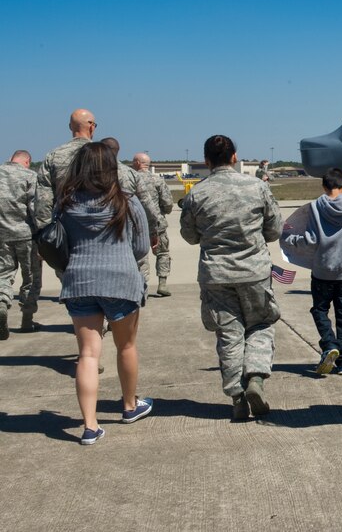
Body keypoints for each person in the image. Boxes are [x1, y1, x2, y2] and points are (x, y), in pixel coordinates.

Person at [180, 135, 283, 420]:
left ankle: (237, 396)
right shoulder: (257, 187)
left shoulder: (196, 194)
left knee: (229, 335)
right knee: (261, 325)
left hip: (216, 275)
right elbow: (274, 230)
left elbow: (188, 236)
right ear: (235, 157)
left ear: (207, 161)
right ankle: (256, 380)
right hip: (254, 272)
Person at [56, 143, 153, 444]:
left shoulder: (67, 205)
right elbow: (140, 247)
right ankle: (129, 405)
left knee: (87, 353)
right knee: (126, 346)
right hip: (121, 282)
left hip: (79, 281)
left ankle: (89, 425)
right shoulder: (126, 202)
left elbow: (59, 242)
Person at [285, 167, 342, 376]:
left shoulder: (316, 207)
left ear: (323, 186)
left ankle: (329, 344)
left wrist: (289, 240)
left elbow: (310, 240)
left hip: (321, 271)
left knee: (319, 310)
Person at [0, 150, 42, 337]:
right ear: (27, 161)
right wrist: (42, 236)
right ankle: (27, 320)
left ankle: (1, 303)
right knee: (31, 278)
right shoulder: (30, 176)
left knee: (3, 274)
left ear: (11, 159)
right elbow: (36, 208)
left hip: (2, 235)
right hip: (26, 235)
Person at [36, 108, 98, 227]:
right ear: (92, 127)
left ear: (70, 127)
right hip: (97, 226)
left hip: (64, 226)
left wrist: (45, 230)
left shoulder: (53, 155)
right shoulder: (102, 155)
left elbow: (43, 199)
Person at [132, 152, 175, 296]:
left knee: (139, 257)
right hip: (157, 224)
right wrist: (161, 211)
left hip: (136, 225)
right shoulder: (157, 180)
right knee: (162, 253)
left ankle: (141, 285)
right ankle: (162, 284)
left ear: (138, 163)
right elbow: (168, 203)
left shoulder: (131, 179)